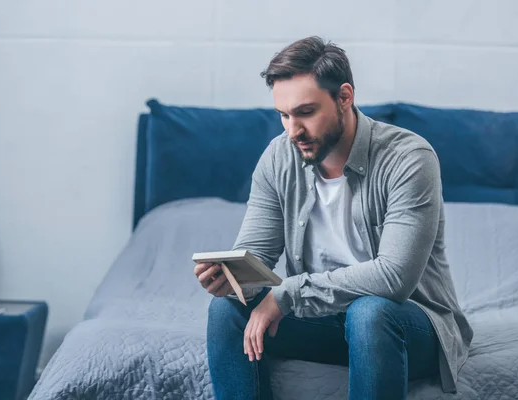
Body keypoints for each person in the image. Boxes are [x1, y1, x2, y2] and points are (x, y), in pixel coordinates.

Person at [194, 36, 473, 400]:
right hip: (320, 321)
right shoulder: (279, 157)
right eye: (284, 114)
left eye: (306, 113)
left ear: (344, 97)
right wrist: (231, 278)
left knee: (369, 314)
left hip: (402, 327)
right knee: (226, 310)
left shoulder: (409, 159)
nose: (292, 131)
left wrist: (286, 295)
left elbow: (394, 278)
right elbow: (255, 254)